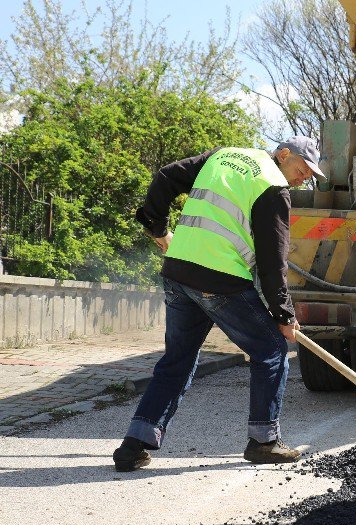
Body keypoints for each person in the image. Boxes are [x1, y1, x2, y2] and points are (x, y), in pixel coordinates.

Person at [112, 137, 324, 472]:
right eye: (301, 169)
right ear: (284, 155)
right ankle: (264, 441)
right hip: (219, 280)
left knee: (177, 361)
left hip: (179, 271)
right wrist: (283, 315)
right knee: (270, 349)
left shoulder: (224, 157)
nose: (303, 179)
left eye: (309, 175)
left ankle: (133, 445)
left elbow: (166, 177)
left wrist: (158, 230)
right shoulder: (273, 186)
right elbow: (273, 261)